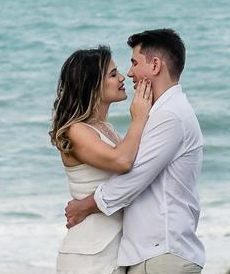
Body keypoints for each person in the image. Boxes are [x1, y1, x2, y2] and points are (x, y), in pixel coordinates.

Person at [64, 29, 205, 274]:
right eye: (115, 72)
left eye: (133, 63)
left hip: (161, 254)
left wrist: (84, 206)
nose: (128, 74)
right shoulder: (161, 112)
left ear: (156, 65)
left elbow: (133, 176)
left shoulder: (168, 116)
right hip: (139, 253)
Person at [51, 46, 155, 274]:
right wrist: (139, 118)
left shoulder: (105, 128)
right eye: (112, 74)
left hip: (114, 249)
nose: (122, 77)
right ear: (92, 85)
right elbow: (121, 161)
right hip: (89, 256)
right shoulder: (75, 130)